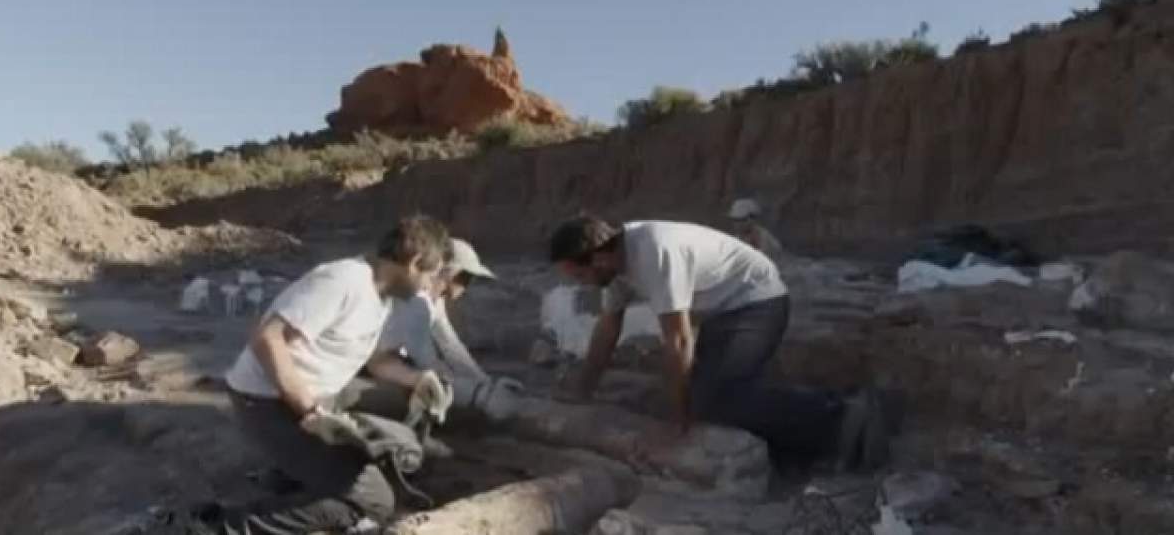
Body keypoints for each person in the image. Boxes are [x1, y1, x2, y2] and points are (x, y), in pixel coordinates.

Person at [548, 216, 888, 470]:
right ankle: (795, 448)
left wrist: (678, 422)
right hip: (724, 314)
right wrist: (582, 390)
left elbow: (679, 340)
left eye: (580, 276)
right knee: (710, 394)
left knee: (715, 401)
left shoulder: (654, 252)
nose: (583, 284)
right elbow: (608, 329)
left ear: (598, 258)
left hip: (758, 304)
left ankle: (841, 416)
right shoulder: (617, 265)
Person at [216, 215, 455, 535]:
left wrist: (419, 381)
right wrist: (311, 411)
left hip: (316, 393)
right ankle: (219, 525)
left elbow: (376, 361)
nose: (432, 285)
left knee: (403, 402)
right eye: (432, 273)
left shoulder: (381, 296)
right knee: (374, 502)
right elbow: (267, 338)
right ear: (413, 262)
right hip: (265, 401)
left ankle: (300, 471)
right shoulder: (343, 281)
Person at [354, 238, 523, 424]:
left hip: (384, 360)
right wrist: (480, 395)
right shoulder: (416, 303)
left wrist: (485, 382)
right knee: (428, 392)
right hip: (365, 369)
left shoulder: (434, 300)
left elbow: (450, 345)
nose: (467, 285)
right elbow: (426, 363)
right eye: (465, 278)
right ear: (451, 273)